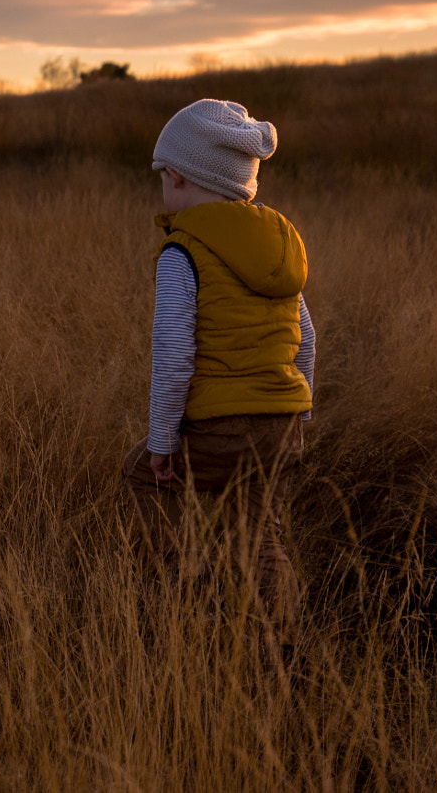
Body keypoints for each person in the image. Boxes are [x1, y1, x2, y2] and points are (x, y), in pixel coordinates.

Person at [120, 98, 316, 618]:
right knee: (258, 533)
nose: (162, 187)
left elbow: (174, 355)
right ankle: (280, 644)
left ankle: (194, 595)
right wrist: (301, 417)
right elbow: (308, 340)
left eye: (162, 175)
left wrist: (163, 440)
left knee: (142, 472)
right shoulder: (278, 242)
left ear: (180, 177)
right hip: (283, 425)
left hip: (222, 426)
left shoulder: (182, 250)